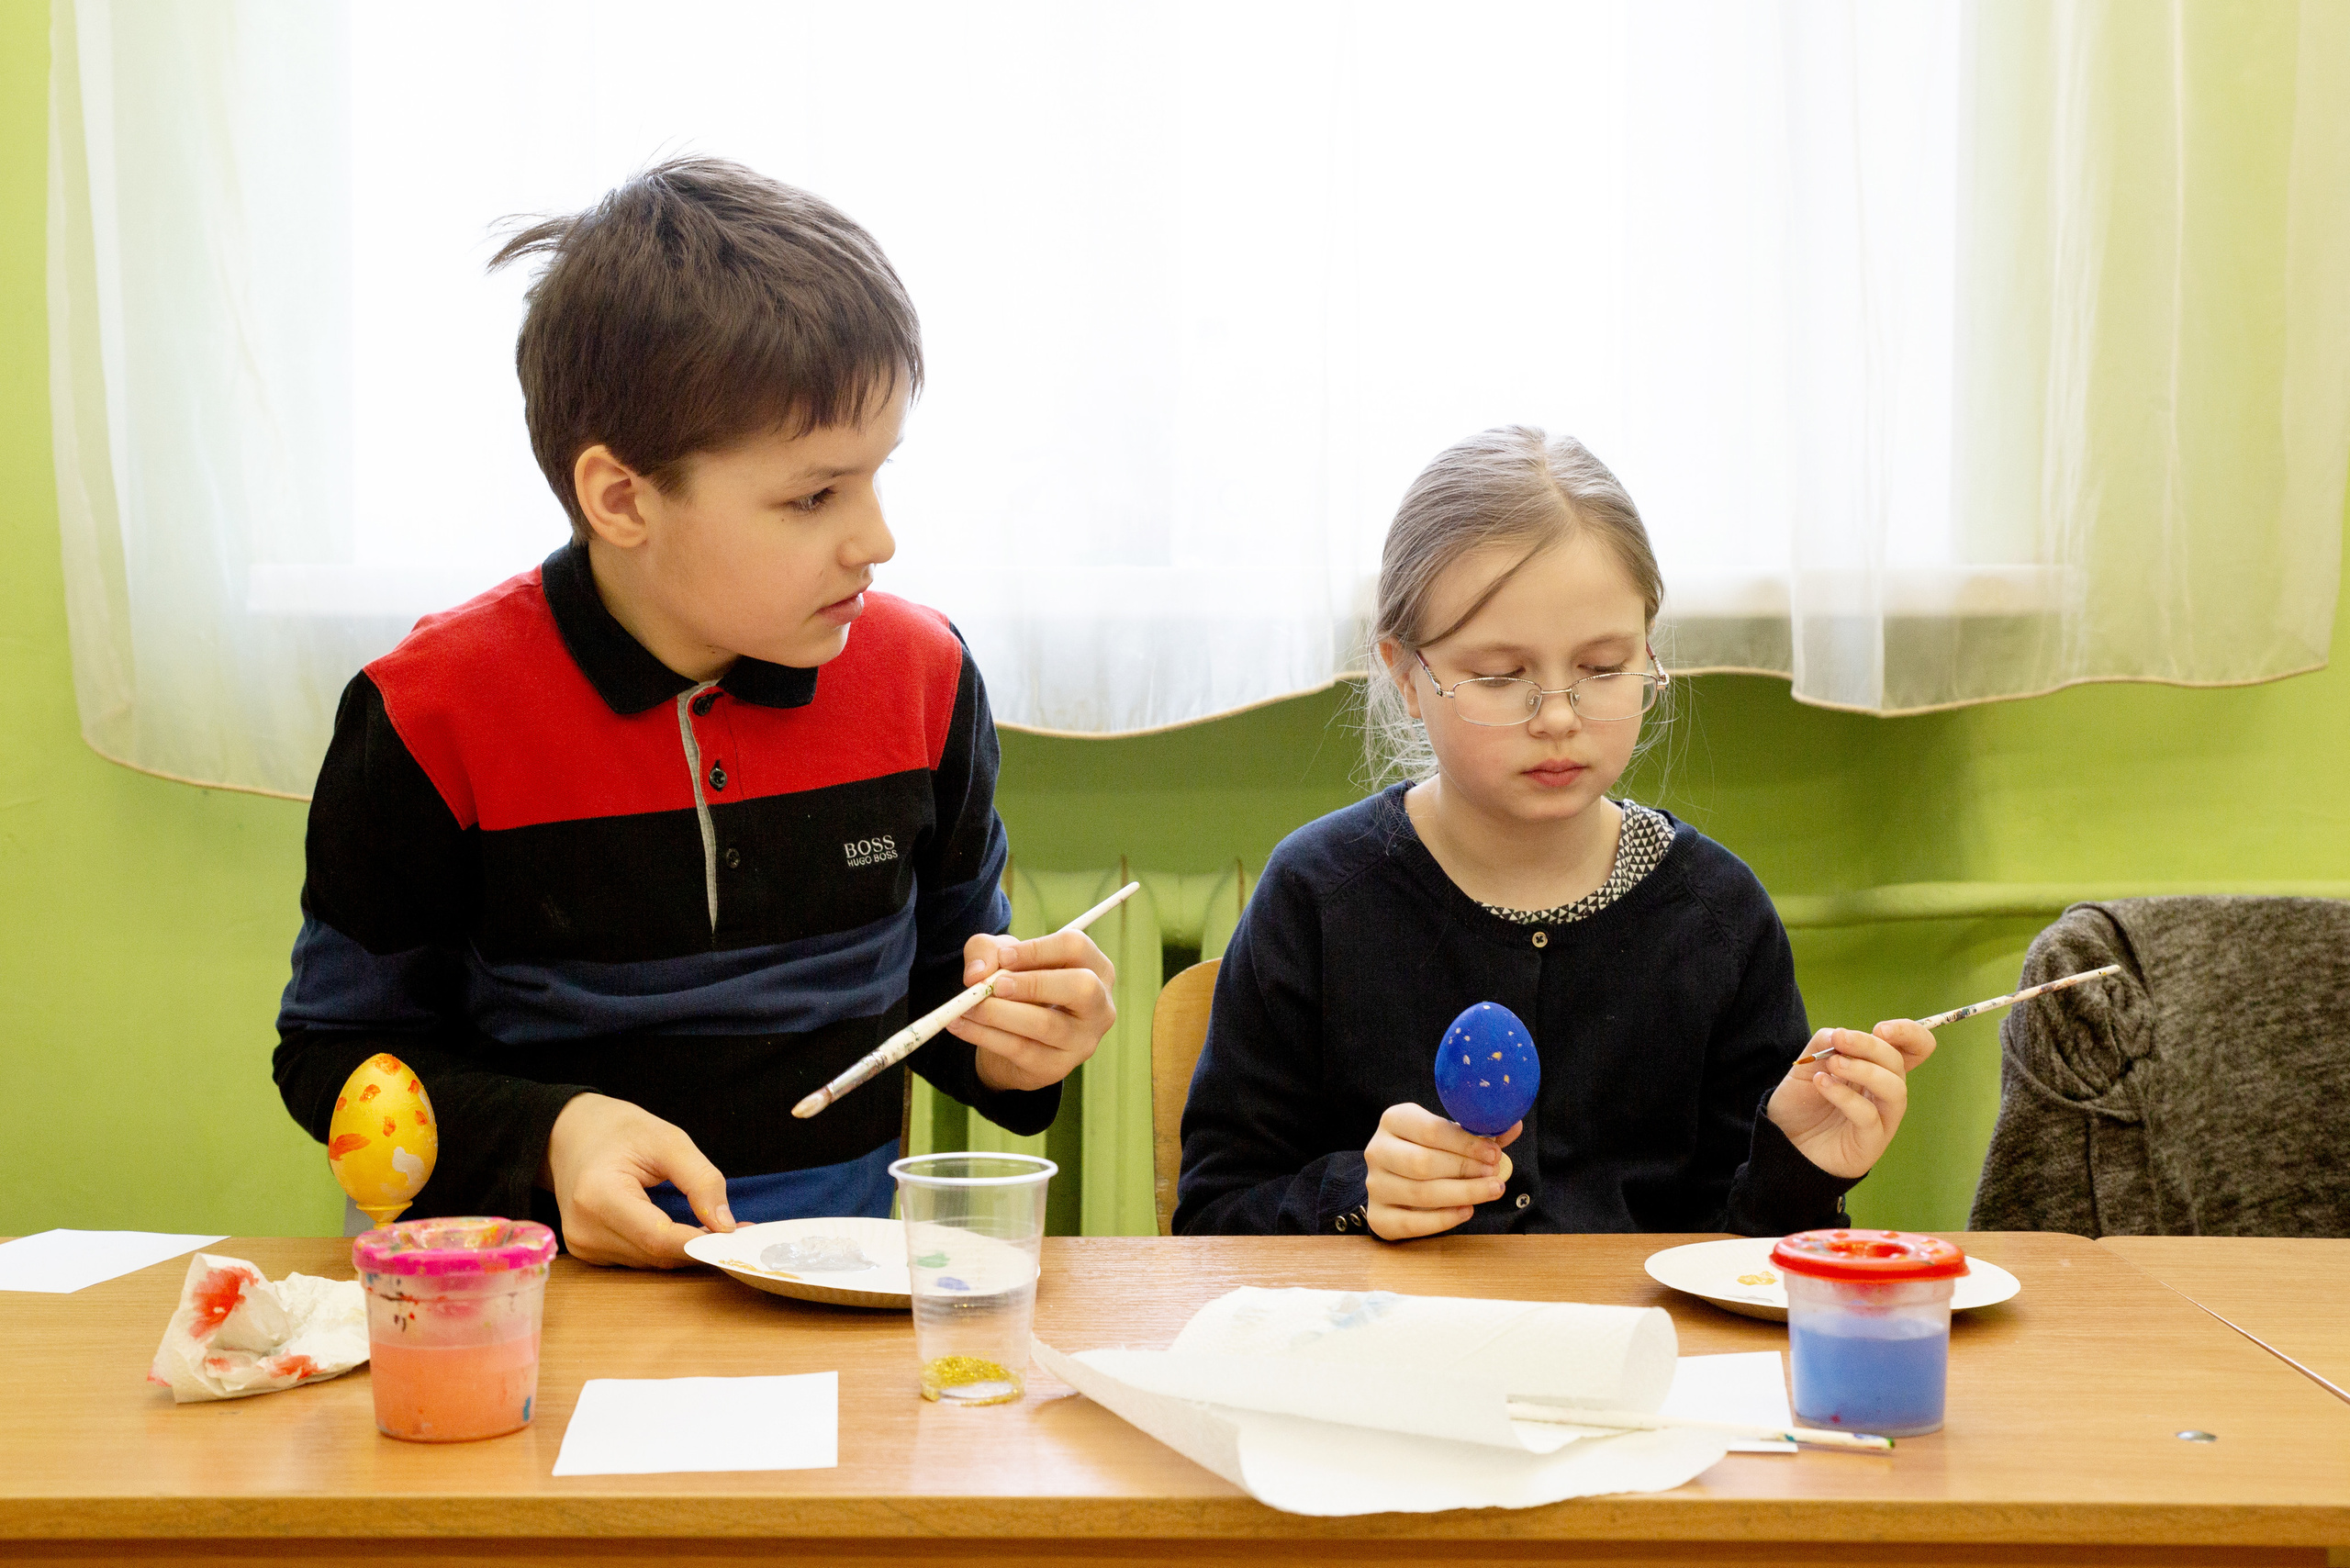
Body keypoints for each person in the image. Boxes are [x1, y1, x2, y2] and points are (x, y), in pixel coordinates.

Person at [274, 158, 1115, 1268]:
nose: (876, 538)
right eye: (813, 496)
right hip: (532, 1301)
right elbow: (335, 1053)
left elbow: (940, 992)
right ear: (622, 498)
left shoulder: (925, 678)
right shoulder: (428, 711)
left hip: (829, 1284)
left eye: (876, 474)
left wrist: (1019, 1045)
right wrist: (553, 1133)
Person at [1175, 427, 1931, 1238]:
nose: (1561, 716)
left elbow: (1744, 1259)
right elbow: (1214, 1218)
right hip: (1391, 1353)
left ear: (1648, 650)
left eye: (1604, 669)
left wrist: (1800, 1163)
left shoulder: (1718, 916)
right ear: (1404, 675)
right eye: (1502, 677)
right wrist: (1357, 1192)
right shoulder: (1318, 897)